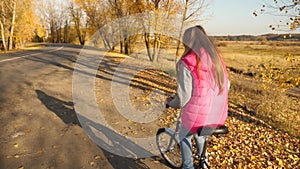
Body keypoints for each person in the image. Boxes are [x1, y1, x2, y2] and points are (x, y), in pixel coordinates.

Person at [166, 25, 229, 169]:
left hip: (197, 118)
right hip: (218, 115)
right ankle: (204, 163)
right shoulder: (217, 59)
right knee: (200, 134)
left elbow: (184, 96)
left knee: (184, 135)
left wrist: (171, 103)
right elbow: (227, 85)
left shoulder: (188, 61)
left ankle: (188, 166)